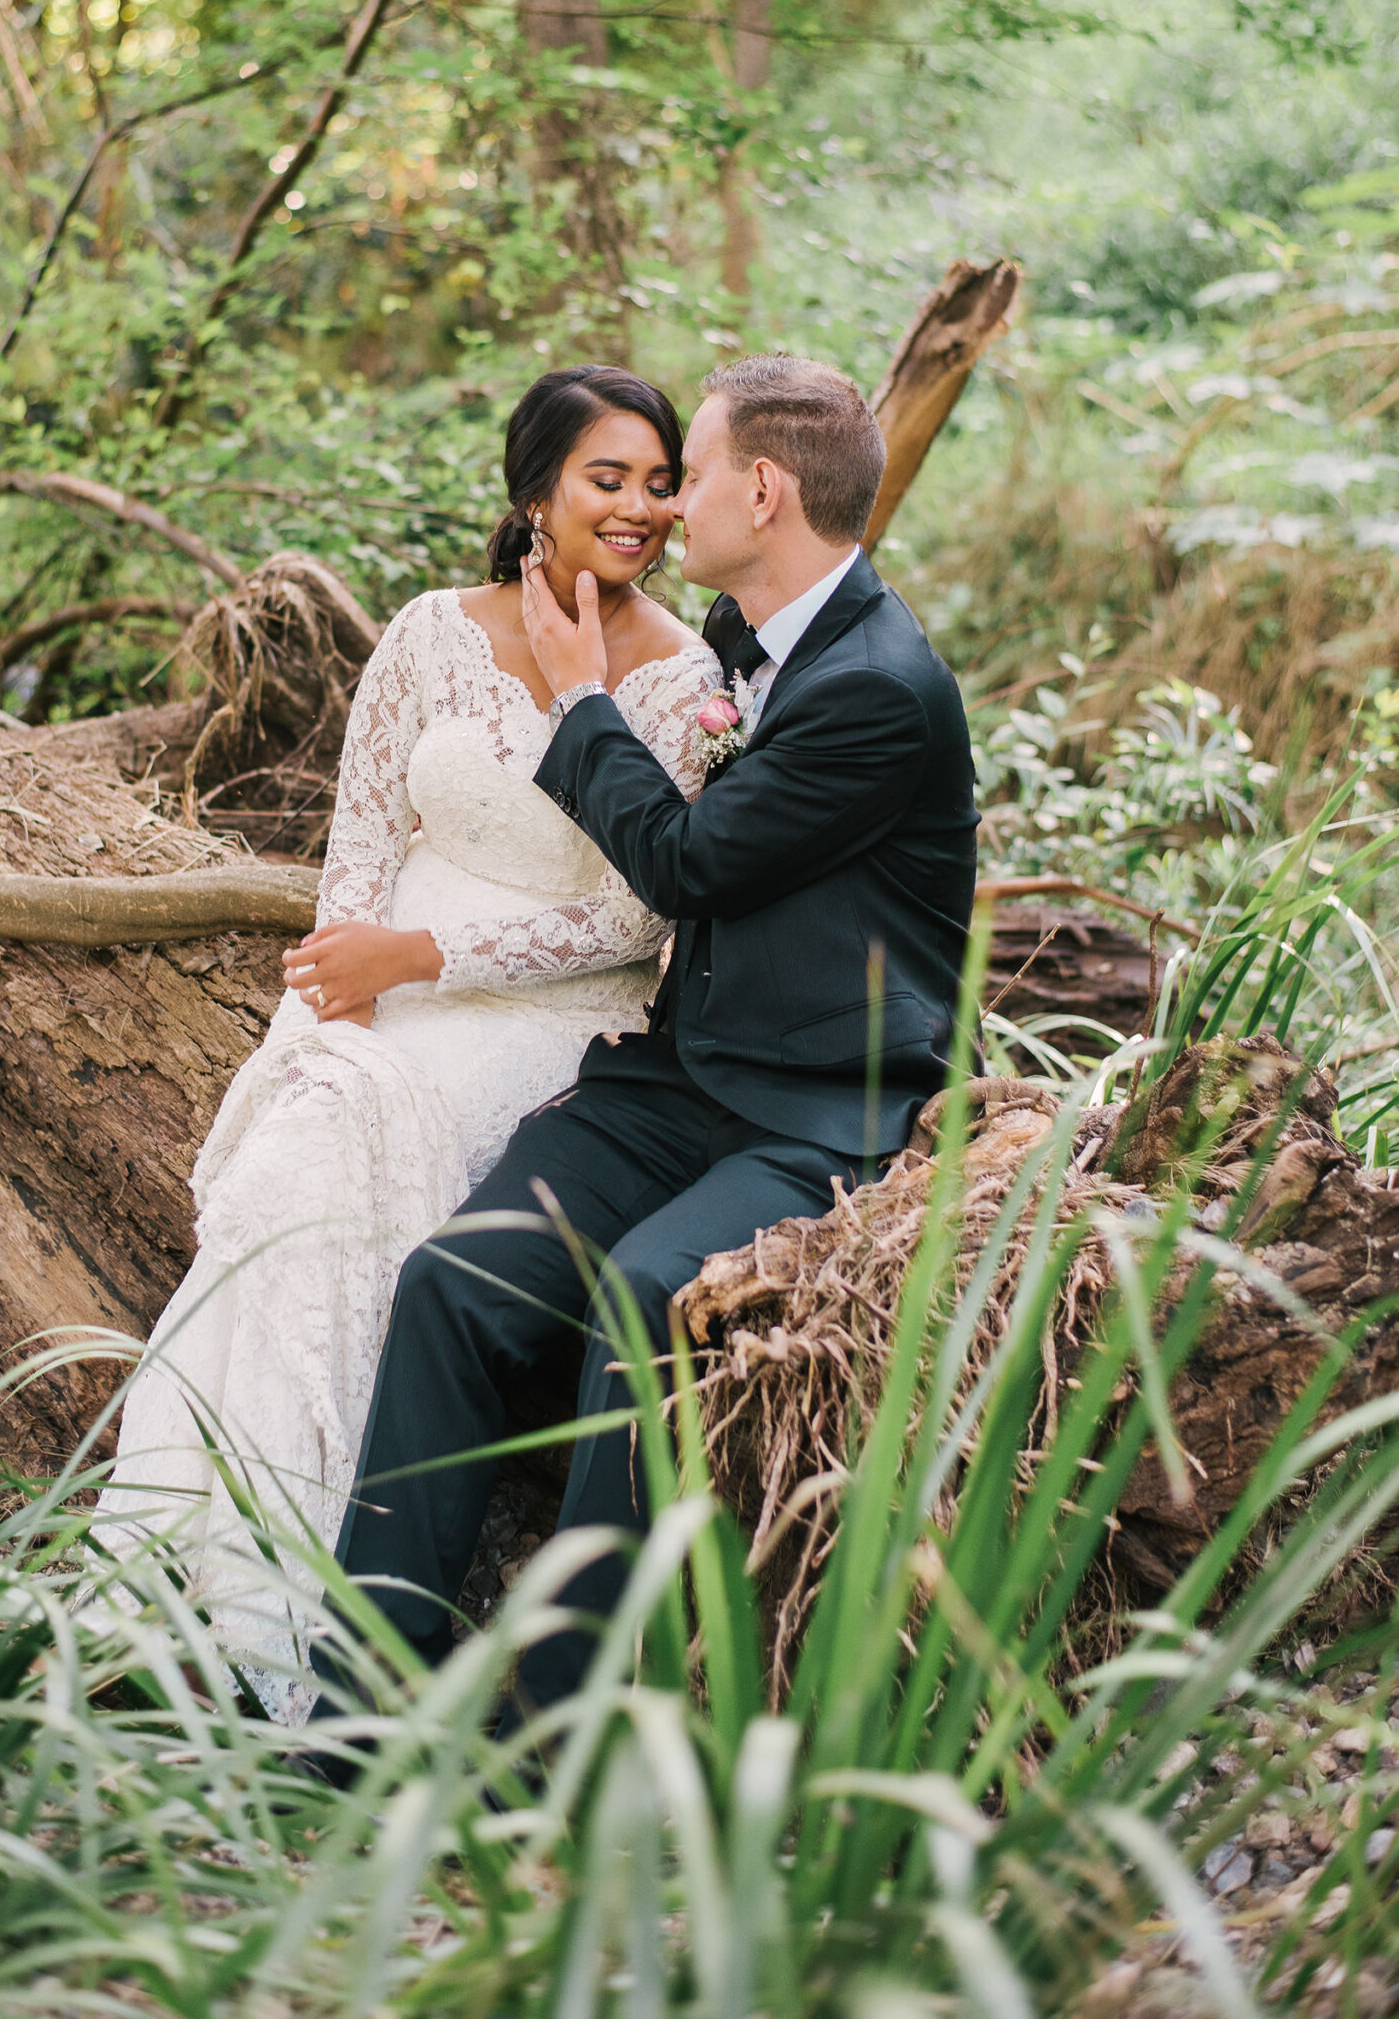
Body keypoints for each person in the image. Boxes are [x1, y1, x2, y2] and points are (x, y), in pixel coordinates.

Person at [325, 355, 979, 1717]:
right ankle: (354, 1703)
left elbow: (684, 866)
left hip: (817, 1107)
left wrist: (579, 703)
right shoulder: (745, 646)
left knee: (642, 1292)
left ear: (764, 487)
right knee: (458, 1279)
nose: (669, 509)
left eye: (692, 477)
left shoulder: (878, 681)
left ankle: (548, 1723)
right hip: (679, 1075)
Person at [94, 365, 718, 1720]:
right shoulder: (431, 635)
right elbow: (360, 848)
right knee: (292, 1166)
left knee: (355, 1168)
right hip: (380, 988)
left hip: (550, 1016)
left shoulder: (681, 676)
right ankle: (177, 1585)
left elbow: (636, 915)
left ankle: (300, 1630)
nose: (641, 508)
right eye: (607, 479)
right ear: (536, 494)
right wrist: (347, 991)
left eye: (660, 482)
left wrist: (426, 958)